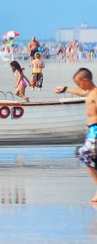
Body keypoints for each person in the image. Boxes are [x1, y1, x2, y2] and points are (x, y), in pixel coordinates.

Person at [55, 68, 97, 202]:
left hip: (95, 130)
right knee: (89, 158)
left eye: (79, 83)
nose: (79, 87)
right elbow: (82, 92)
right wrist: (66, 89)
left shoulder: (95, 94)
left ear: (86, 80)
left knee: (85, 155)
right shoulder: (90, 92)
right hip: (92, 130)